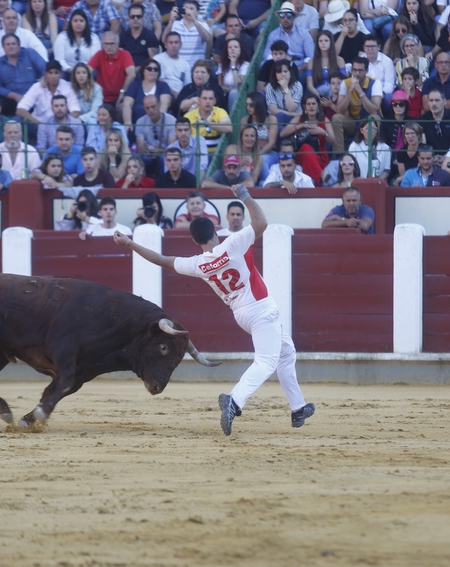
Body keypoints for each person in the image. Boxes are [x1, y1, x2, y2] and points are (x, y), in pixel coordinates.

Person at [116, 184, 313, 435]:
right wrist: (244, 196)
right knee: (266, 361)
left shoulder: (199, 264)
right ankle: (235, 400)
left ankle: (298, 408)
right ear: (215, 231)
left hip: (241, 314)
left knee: (286, 352)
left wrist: (130, 244)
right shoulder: (233, 244)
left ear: (195, 240)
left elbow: (161, 260)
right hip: (261, 309)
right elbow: (261, 222)